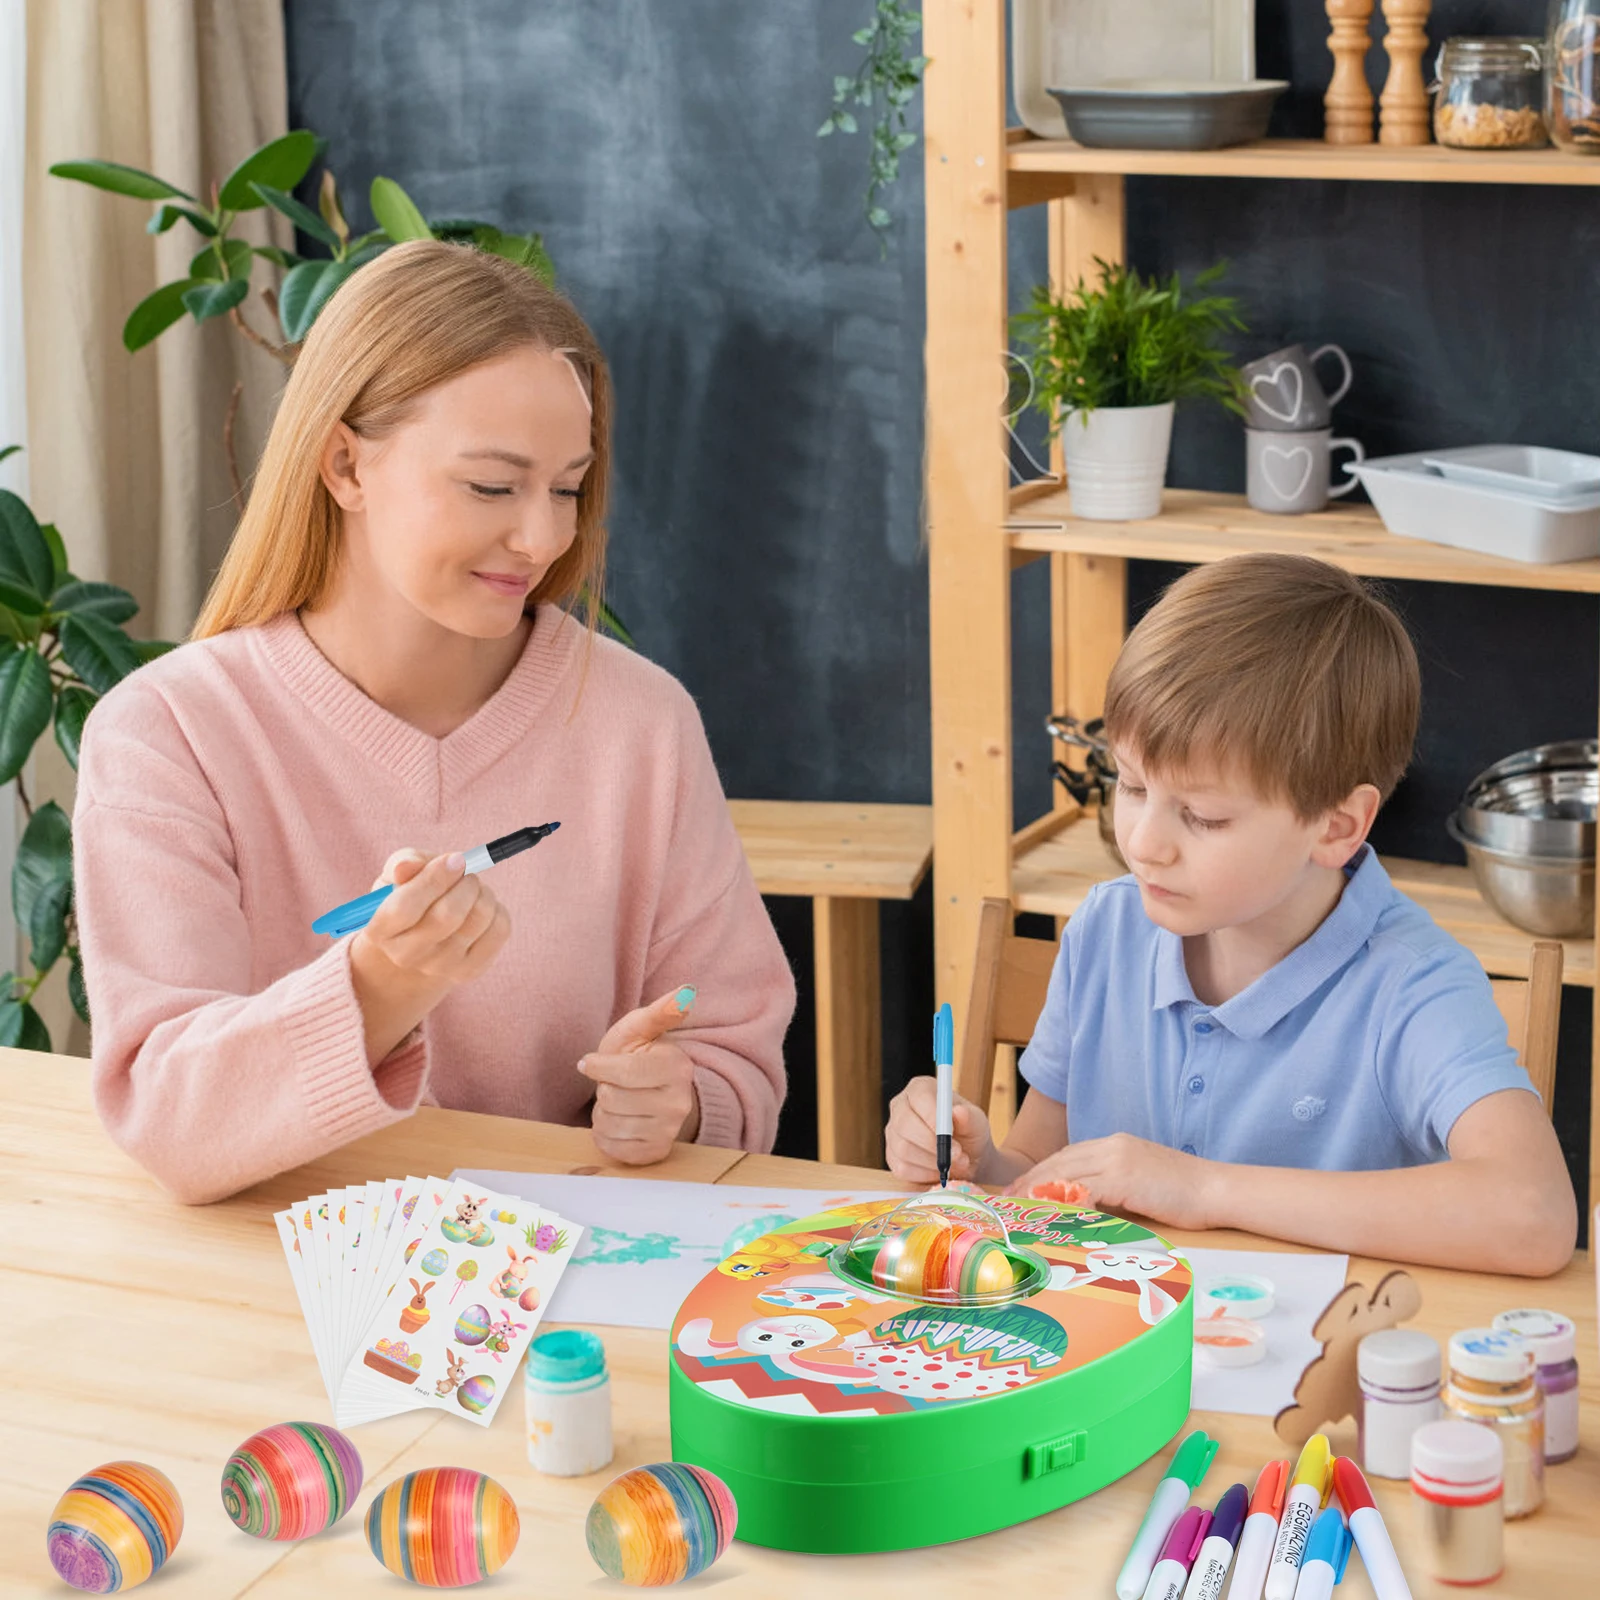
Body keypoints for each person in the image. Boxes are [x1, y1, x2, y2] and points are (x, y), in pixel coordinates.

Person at [74, 240, 795, 1205]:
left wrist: (686, 1099)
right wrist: (374, 990)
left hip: (563, 1299)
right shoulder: (166, 733)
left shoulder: (643, 724)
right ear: (344, 464)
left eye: (569, 487)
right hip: (262, 1290)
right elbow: (166, 1119)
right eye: (493, 486)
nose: (544, 537)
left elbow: (735, 1044)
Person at [887, 554, 1576, 1276]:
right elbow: (1040, 1168)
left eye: (1204, 816)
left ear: (1337, 827)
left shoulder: (1412, 983)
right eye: (1129, 783)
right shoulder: (1106, 931)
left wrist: (1204, 1189)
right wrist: (981, 1162)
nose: (1145, 844)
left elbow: (1533, 1214)